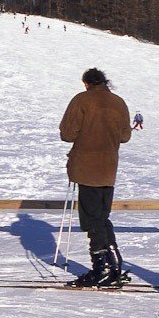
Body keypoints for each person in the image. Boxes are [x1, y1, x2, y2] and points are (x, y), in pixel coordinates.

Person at [60, 68, 132, 287]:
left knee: (93, 219)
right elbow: (125, 136)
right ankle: (114, 263)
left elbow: (67, 133)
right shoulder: (118, 102)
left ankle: (101, 268)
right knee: (102, 217)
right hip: (108, 168)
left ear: (86, 83)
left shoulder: (82, 100)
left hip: (86, 167)